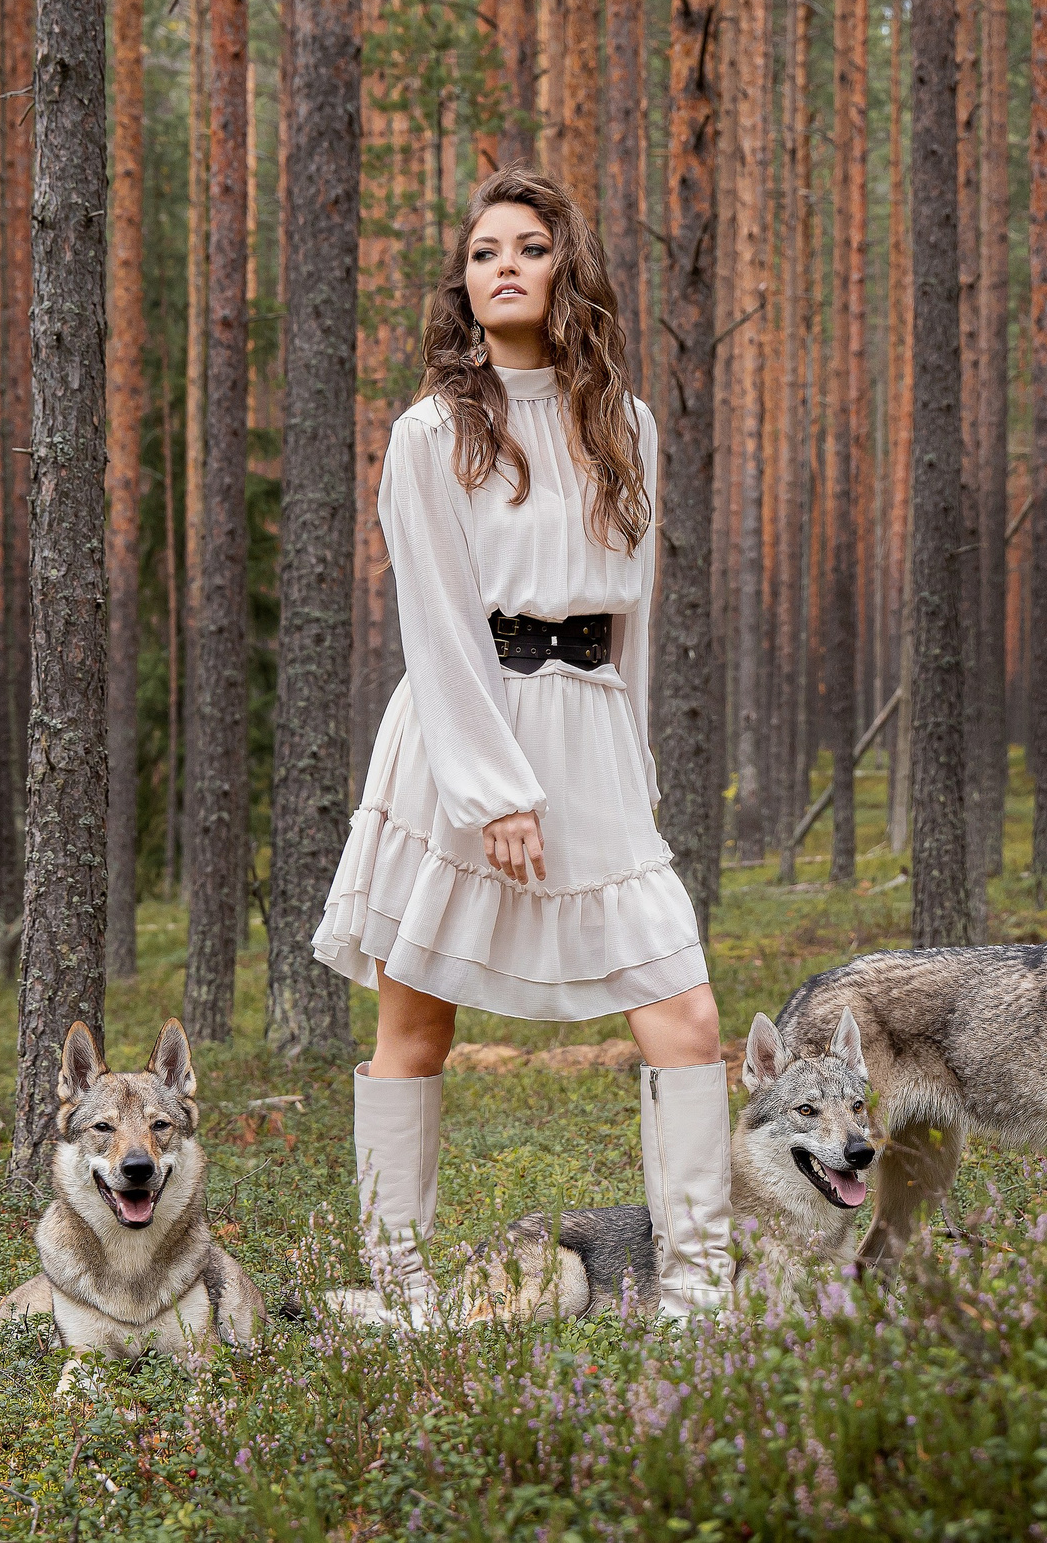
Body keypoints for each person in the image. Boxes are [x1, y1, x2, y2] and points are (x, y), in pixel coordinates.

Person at [311, 166, 730, 1326]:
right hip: (463, 732)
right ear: (464, 279)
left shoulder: (626, 424)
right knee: (416, 1022)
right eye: (484, 246)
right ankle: (399, 1290)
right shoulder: (430, 430)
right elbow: (437, 623)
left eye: (529, 245)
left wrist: (629, 767)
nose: (502, 262)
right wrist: (490, 786)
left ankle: (697, 1290)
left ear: (564, 270)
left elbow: (630, 623)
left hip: (589, 735)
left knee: (685, 1015)